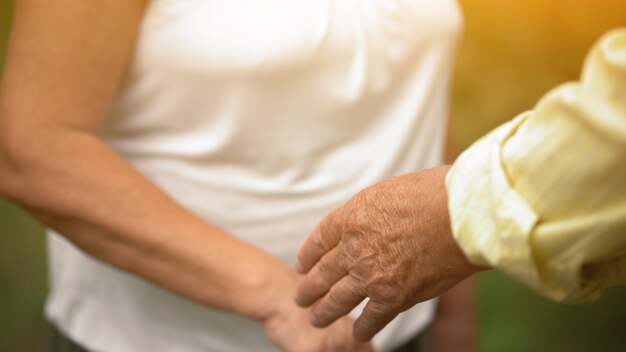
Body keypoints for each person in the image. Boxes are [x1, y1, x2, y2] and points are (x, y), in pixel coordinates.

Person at [0, 0, 476, 351]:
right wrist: (277, 297)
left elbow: (419, 89)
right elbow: (32, 148)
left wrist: (453, 307)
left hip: (398, 332)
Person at [295, 28, 626, 342]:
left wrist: (448, 231)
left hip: (411, 305)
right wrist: (267, 295)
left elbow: (426, 88)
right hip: (278, 322)